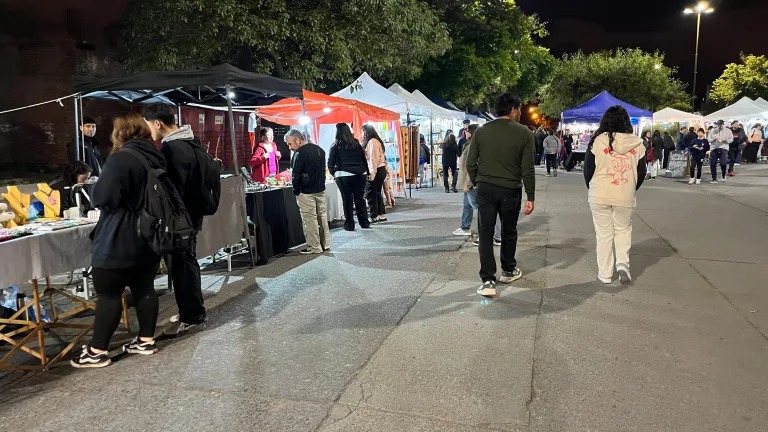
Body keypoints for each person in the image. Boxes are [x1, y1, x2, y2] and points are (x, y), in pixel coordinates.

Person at [70, 113, 164, 368]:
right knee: (145, 288)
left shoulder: (121, 157)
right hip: (149, 233)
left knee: (108, 293)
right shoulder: (155, 156)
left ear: (121, 132)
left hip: (119, 234)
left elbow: (103, 197)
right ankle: (146, 340)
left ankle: (97, 350)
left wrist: (94, 186)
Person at [142, 104, 207, 337]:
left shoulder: (173, 148)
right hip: (192, 214)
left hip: (180, 219)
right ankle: (191, 311)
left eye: (148, 125)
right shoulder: (190, 140)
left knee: (182, 266)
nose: (149, 131)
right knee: (187, 262)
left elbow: (173, 189)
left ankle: (192, 316)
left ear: (157, 123)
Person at [466, 93, 535, 297]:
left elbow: (470, 162)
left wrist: (478, 180)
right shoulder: (525, 133)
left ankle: (488, 280)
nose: (520, 113)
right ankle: (508, 269)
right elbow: (528, 169)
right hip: (510, 189)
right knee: (508, 230)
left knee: (485, 233)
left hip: (485, 188)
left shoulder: (481, 131)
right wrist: (530, 196)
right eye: (519, 109)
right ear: (513, 109)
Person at [583, 106, 647, 285]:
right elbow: (641, 172)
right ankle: (622, 263)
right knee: (623, 229)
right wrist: (630, 188)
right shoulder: (638, 144)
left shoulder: (597, 141)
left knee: (603, 235)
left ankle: (605, 274)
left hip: (599, 193)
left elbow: (588, 170)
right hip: (625, 195)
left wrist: (592, 187)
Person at [454, 124, 503, 245]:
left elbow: (472, 165)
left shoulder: (475, 145)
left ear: (472, 132)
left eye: (467, 130)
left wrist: (470, 183)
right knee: (483, 208)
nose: (465, 132)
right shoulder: (474, 144)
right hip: (476, 181)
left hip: (475, 182)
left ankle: (491, 236)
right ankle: (495, 235)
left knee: (484, 210)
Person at [287, 129, 330, 254]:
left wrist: (296, 190)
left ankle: (314, 246)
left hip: (305, 192)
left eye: (290, 144)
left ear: (298, 140)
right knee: (322, 217)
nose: (290, 147)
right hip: (320, 189)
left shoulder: (299, 154)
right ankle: (325, 243)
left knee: (309, 219)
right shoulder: (320, 150)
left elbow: (296, 174)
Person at [327, 123, 370, 231]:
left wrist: (334, 174)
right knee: (360, 198)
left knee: (347, 199)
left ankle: (349, 224)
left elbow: (330, 163)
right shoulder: (356, 143)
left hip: (343, 174)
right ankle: (364, 222)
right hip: (360, 174)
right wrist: (367, 172)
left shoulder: (336, 145)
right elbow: (363, 159)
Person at [362, 125, 388, 223]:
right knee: (377, 193)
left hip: (376, 170)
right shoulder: (375, 141)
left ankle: (374, 216)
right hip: (380, 169)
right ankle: (381, 214)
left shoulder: (372, 142)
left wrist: (372, 173)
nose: (362, 134)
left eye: (363, 132)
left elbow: (373, 159)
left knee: (371, 193)